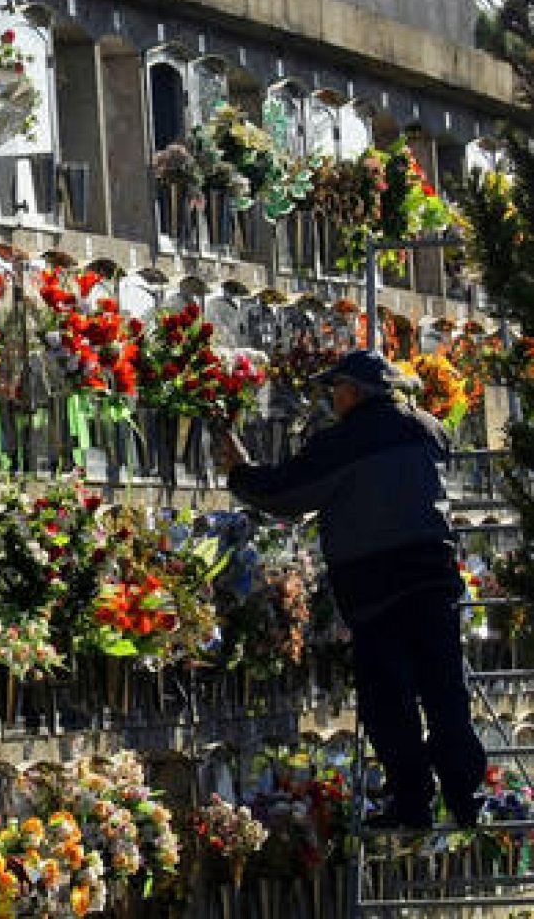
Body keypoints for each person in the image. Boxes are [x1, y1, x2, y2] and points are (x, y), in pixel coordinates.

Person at [214, 348, 486, 830]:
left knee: (390, 701)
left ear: (355, 392)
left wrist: (240, 471)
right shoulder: (426, 427)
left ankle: (412, 802)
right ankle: (465, 793)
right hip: (434, 579)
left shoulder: (345, 441)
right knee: (446, 690)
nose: (330, 398)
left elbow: (286, 495)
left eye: (335, 388)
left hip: (377, 591)